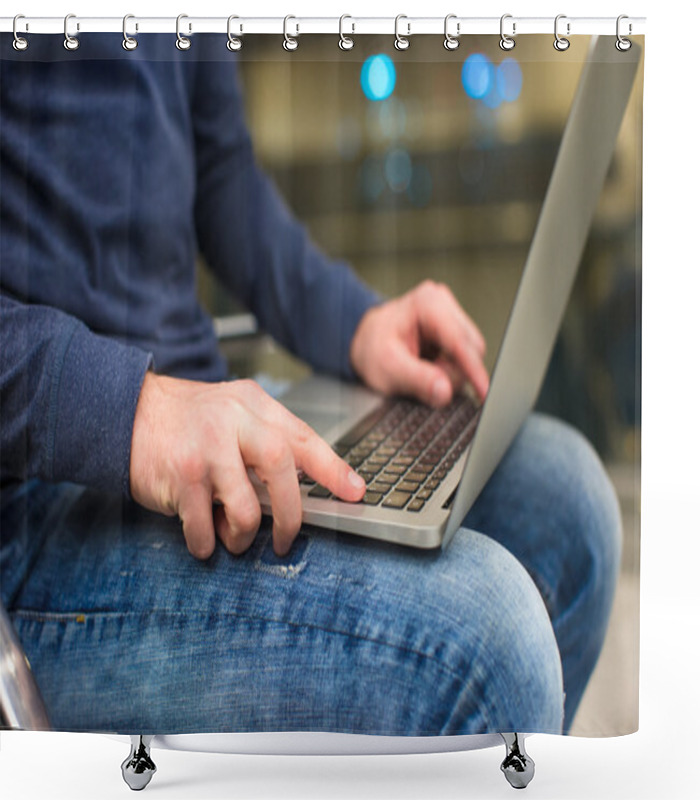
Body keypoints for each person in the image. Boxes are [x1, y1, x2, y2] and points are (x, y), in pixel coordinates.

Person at [0, 34, 621, 735]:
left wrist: (355, 324)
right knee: (484, 647)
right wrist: (133, 414)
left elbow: (221, 169)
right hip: (32, 506)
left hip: (201, 418)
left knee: (567, 502)